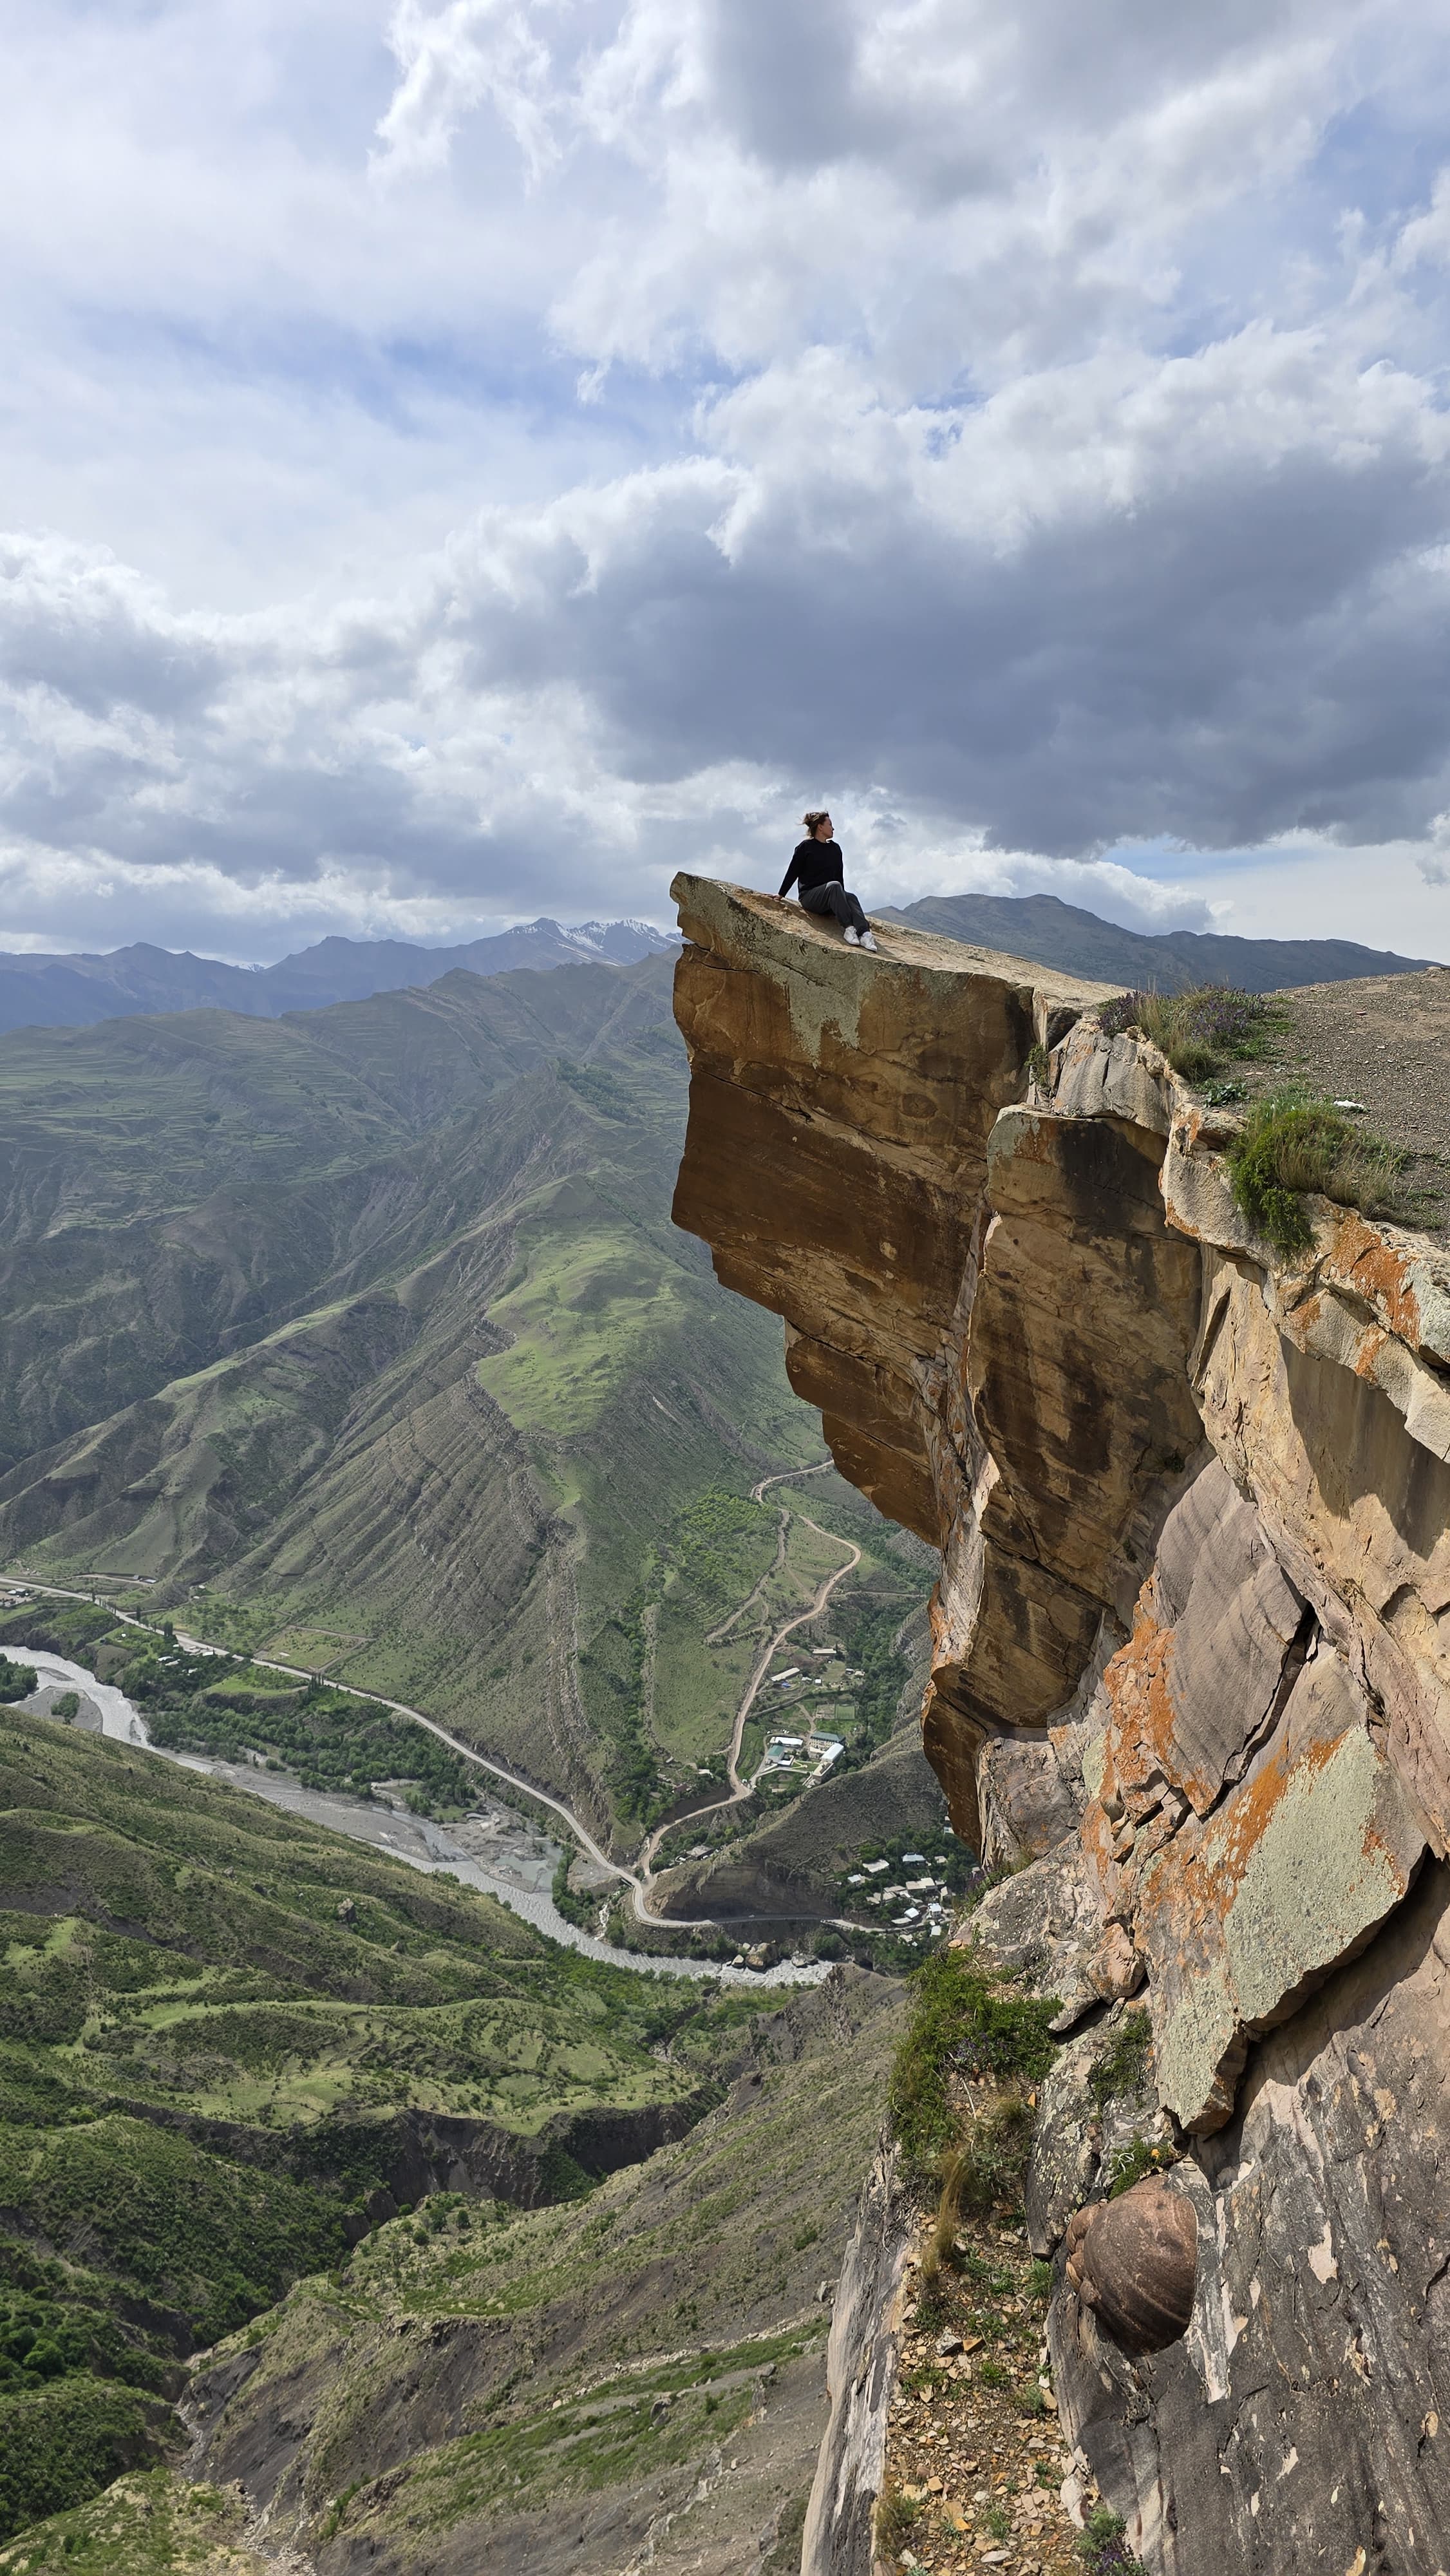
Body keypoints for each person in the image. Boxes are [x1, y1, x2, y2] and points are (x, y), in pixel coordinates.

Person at [777, 811, 878, 949]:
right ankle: (849, 929)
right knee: (835, 886)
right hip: (810, 897)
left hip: (831, 898)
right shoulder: (805, 847)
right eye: (830, 824)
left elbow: (839, 878)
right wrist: (781, 894)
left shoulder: (835, 849)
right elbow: (792, 872)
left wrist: (842, 901)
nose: (833, 828)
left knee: (851, 897)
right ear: (820, 827)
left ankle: (865, 934)